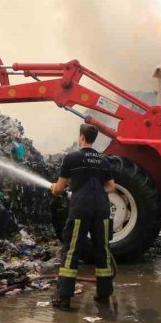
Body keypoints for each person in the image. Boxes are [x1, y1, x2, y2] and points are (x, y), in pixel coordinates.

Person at [48, 123, 116, 311]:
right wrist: (96, 191)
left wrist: (54, 188)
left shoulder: (72, 158)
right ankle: (103, 295)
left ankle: (64, 298)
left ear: (81, 137)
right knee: (102, 250)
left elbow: (60, 188)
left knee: (71, 251)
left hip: (80, 209)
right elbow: (112, 187)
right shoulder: (103, 160)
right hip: (102, 209)